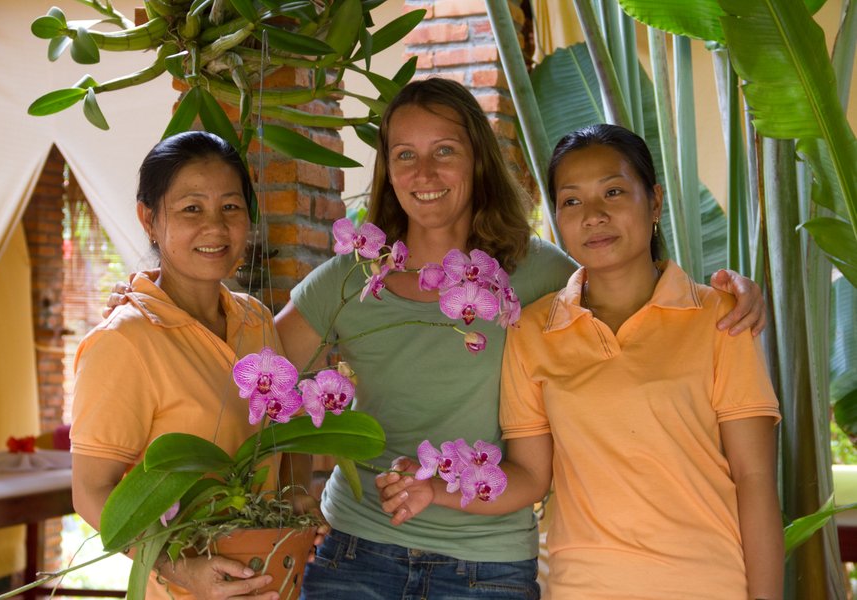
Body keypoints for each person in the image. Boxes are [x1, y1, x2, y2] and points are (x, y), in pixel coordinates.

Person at [271, 80, 768, 599]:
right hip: (357, 552)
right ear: (387, 171)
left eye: (445, 151)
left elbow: (628, 282)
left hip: (489, 566)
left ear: (479, 160)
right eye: (405, 155)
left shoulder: (539, 275)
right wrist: (287, 500)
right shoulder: (350, 279)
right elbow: (258, 386)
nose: (425, 173)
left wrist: (734, 292)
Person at [71, 131, 282, 600]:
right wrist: (178, 567)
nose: (215, 227)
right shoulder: (123, 342)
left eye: (230, 207)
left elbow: (284, 433)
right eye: (192, 209)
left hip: (270, 581)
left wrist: (297, 497)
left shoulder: (257, 321)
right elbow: (90, 492)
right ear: (149, 218)